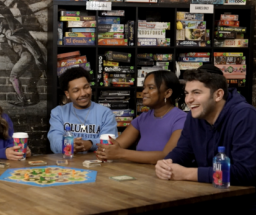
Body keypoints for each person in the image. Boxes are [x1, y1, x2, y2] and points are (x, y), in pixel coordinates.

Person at [155, 65, 256, 209]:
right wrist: (165, 164)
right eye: (187, 93)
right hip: (207, 197)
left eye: (196, 93)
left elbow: (246, 173)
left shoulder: (245, 115)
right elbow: (182, 151)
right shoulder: (193, 116)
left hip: (241, 203)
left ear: (218, 95)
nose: (189, 100)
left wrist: (187, 173)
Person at [96, 70, 187, 164]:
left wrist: (120, 153)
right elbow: (118, 145)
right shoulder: (142, 118)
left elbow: (167, 156)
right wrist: (106, 149)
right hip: (141, 174)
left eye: (151, 88)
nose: (144, 92)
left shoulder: (181, 120)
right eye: (144, 87)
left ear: (167, 93)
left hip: (166, 175)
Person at [48, 67, 117, 154]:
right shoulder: (58, 113)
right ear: (67, 94)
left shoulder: (105, 113)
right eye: (76, 90)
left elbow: (110, 141)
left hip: (98, 164)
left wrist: (91, 143)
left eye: (86, 87)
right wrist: (69, 145)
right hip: (67, 164)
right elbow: (55, 141)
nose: (83, 93)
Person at [0, 17, 46, 106]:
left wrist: (11, 37)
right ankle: (34, 98)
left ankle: (22, 100)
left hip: (26, 57)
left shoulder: (10, 33)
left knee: (13, 76)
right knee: (31, 80)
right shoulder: (7, 35)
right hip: (26, 57)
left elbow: (20, 40)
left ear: (1, 25)